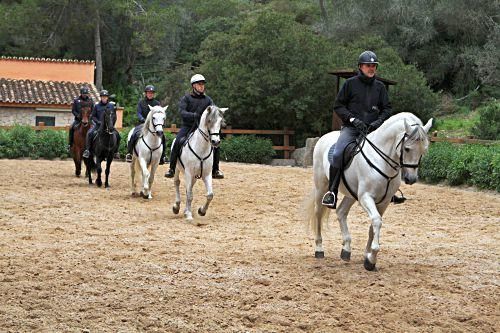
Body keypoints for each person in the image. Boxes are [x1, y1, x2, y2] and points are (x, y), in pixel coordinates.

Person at [322, 50, 392, 208]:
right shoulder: (350, 84)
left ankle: (390, 191)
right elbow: (338, 106)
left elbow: (387, 109)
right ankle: (332, 192)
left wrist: (378, 122)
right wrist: (352, 119)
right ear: (360, 66)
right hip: (352, 129)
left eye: (374, 66)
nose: (371, 68)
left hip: (373, 130)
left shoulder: (380, 87)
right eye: (368, 65)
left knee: (391, 153)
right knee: (339, 153)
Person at [164, 74, 224, 179]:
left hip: (203, 128)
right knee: (178, 141)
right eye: (199, 84)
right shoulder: (186, 98)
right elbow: (182, 112)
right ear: (193, 86)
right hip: (188, 126)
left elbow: (214, 111)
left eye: (203, 84)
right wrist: (193, 115)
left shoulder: (208, 100)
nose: (202, 86)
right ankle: (171, 168)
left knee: (216, 145)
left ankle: (216, 170)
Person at [125, 85, 167, 164]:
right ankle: (129, 153)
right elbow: (138, 113)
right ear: (146, 93)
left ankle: (163, 156)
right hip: (142, 123)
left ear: (153, 94)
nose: (150, 94)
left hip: (154, 125)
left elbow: (160, 114)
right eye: (148, 93)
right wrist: (142, 119)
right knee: (134, 134)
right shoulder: (141, 102)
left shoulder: (157, 103)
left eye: (151, 93)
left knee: (163, 137)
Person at [82, 90, 120, 158]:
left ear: (107, 98)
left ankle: (116, 151)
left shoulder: (111, 106)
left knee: (118, 135)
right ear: (101, 97)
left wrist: (112, 125)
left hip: (109, 126)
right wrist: (98, 122)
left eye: (105, 97)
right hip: (98, 125)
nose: (104, 98)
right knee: (89, 133)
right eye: (102, 97)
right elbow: (93, 116)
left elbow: (114, 116)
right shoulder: (97, 106)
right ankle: (87, 150)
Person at [68, 86, 94, 150]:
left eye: (86, 94)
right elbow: (73, 110)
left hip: (88, 120)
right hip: (78, 120)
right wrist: (77, 115)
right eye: (83, 94)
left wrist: (90, 116)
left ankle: (95, 145)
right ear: (81, 93)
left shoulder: (90, 101)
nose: (85, 95)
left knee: (96, 129)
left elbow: (93, 110)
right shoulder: (76, 100)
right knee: (71, 128)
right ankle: (70, 144)